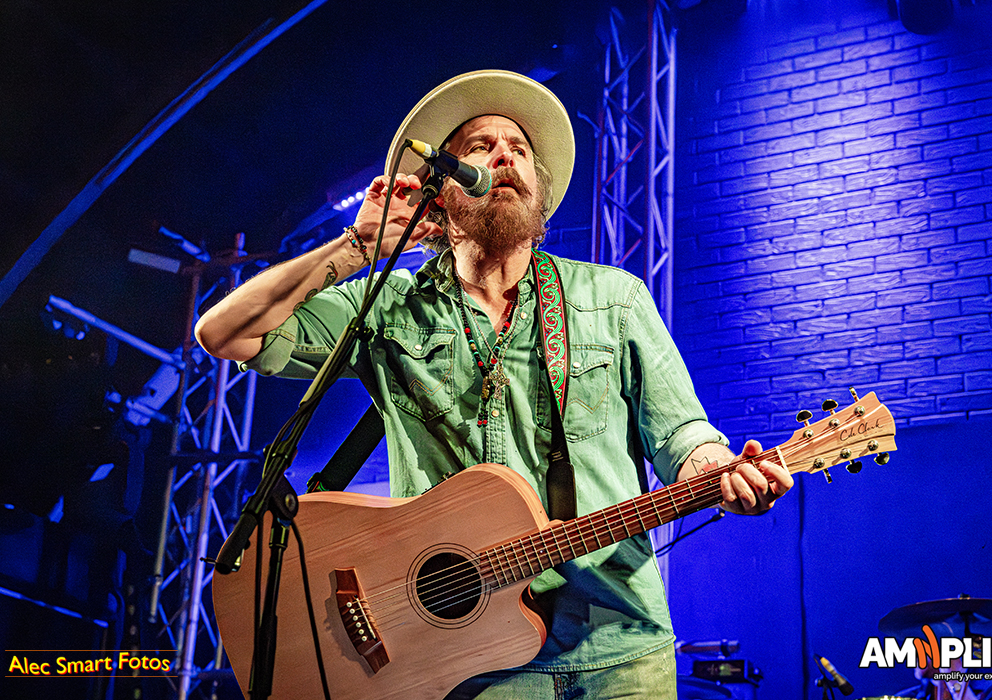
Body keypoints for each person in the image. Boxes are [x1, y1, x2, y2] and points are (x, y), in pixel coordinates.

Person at [195, 69, 794, 699]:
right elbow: (227, 335)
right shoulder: (387, 305)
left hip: (620, 647)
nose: (505, 155)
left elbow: (681, 435)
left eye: (520, 150)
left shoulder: (613, 298)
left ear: (540, 190)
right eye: (480, 146)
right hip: (463, 663)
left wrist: (721, 470)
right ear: (442, 191)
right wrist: (354, 249)